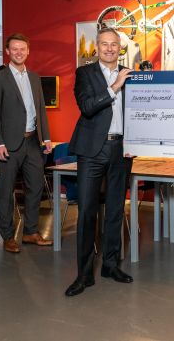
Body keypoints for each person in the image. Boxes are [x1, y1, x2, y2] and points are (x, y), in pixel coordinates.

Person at [65, 27, 134, 297]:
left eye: (114, 44)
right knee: (86, 212)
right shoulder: (85, 73)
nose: (109, 48)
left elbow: (141, 111)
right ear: (97, 47)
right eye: (104, 44)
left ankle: (110, 265)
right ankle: (83, 275)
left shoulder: (131, 74)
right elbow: (88, 107)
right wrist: (115, 86)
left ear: (120, 47)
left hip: (121, 149)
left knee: (116, 210)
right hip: (92, 150)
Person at [0, 33, 53, 253]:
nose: (19, 52)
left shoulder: (34, 77)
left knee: (35, 188)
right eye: (14, 49)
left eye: (22, 49)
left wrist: (46, 137)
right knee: (6, 191)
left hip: (33, 141)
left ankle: (30, 232)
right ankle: (7, 236)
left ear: (28, 51)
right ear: (7, 51)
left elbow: (41, 109)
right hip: (9, 144)